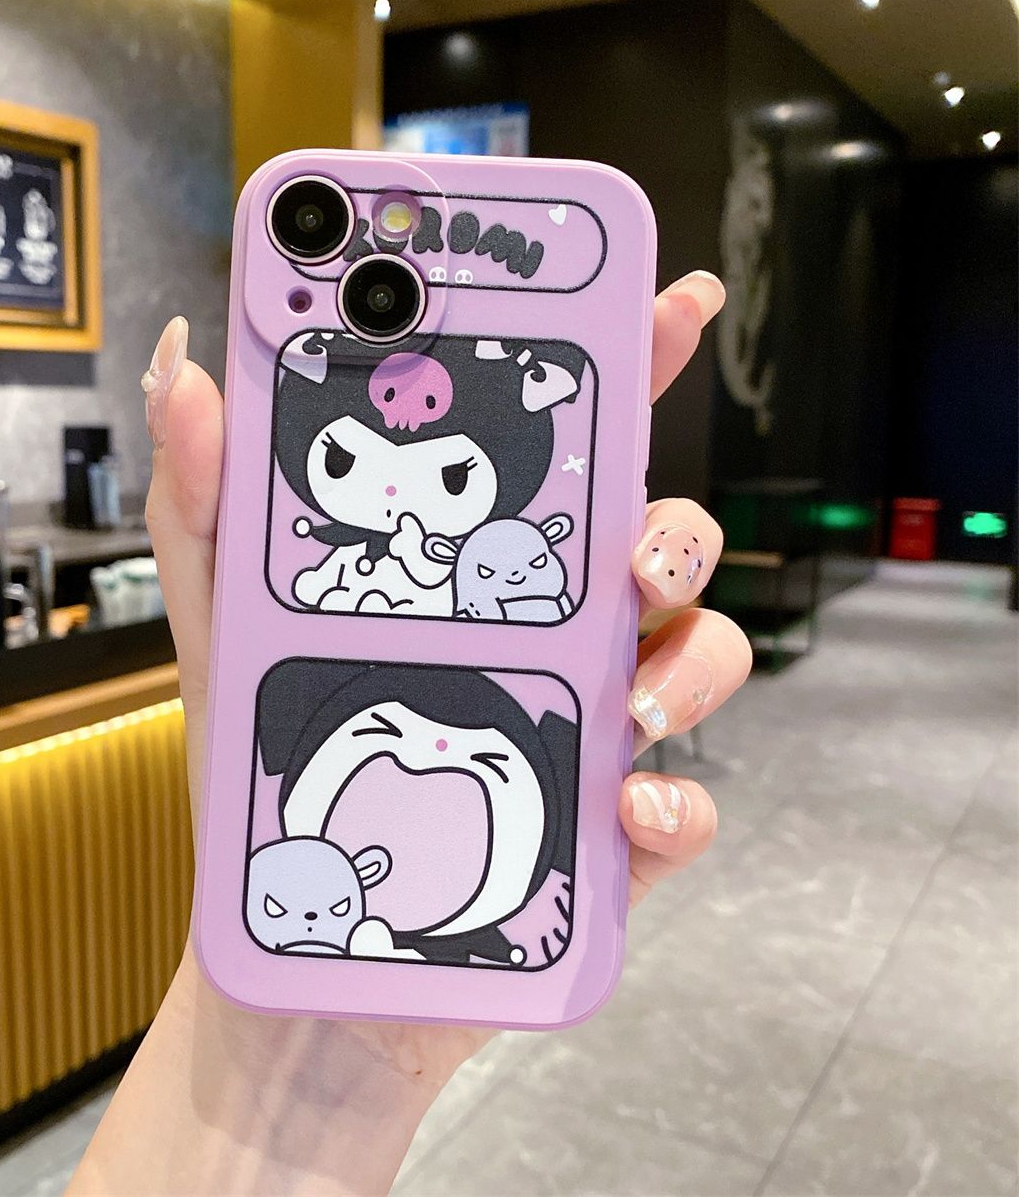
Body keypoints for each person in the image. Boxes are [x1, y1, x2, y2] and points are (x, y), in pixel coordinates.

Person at [67, 270, 751, 1196]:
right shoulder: (316, 592)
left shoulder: (490, 575)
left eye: (453, 474)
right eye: (348, 463)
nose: (396, 492)